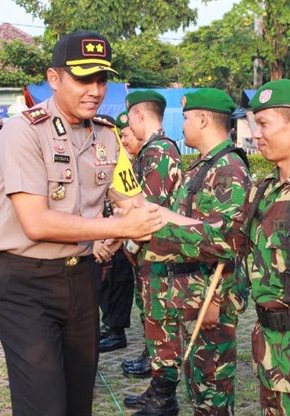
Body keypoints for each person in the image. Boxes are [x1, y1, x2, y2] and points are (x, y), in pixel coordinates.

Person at [144, 79, 290, 415]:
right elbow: (226, 241)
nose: (255, 133)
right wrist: (150, 229)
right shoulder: (266, 192)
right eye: (254, 123)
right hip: (272, 353)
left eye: (263, 124)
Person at [0, 30, 162, 416]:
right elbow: (36, 223)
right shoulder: (23, 131)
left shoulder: (106, 136)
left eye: (102, 79)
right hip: (23, 285)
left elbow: (133, 202)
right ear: (54, 78)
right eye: (83, 78)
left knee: (78, 404)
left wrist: (197, 226)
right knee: (45, 406)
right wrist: (118, 229)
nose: (95, 90)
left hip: (80, 282)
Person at [126, 88, 251, 415]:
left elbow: (228, 240)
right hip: (193, 294)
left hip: (210, 299)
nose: (181, 125)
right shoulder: (203, 167)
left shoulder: (228, 169)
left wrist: (214, 300)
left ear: (203, 119)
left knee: (213, 393)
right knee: (199, 388)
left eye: (185, 118)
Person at [121, 90, 182, 381]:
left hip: (157, 247)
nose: (128, 125)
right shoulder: (152, 149)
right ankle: (151, 358)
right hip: (148, 247)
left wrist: (129, 243)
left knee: (159, 313)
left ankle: (161, 376)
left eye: (130, 117)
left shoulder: (159, 150)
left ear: (139, 115)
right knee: (148, 308)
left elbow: (150, 203)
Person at [96, 111, 136, 353]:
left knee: (118, 281)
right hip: (101, 232)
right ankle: (109, 324)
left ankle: (116, 330)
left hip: (118, 233)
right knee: (105, 284)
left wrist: (116, 235)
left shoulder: (121, 159)